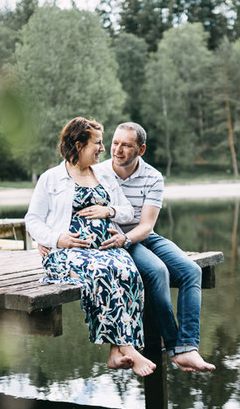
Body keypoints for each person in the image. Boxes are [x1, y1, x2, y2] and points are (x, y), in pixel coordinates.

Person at [43, 122, 215, 372]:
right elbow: (59, 208)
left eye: (126, 145)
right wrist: (48, 239)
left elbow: (146, 226)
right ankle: (174, 347)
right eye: (114, 143)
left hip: (139, 235)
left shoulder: (153, 177)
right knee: (157, 271)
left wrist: (124, 235)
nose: (117, 150)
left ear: (141, 149)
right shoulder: (96, 170)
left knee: (192, 271)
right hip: (110, 240)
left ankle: (188, 347)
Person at [25, 117, 156, 377]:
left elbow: (128, 211)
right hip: (66, 254)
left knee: (129, 272)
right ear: (78, 144)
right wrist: (56, 239)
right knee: (102, 273)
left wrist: (109, 210)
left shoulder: (104, 175)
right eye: (97, 143)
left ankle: (114, 352)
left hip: (104, 249)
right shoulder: (51, 178)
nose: (103, 149)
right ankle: (127, 347)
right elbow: (32, 220)